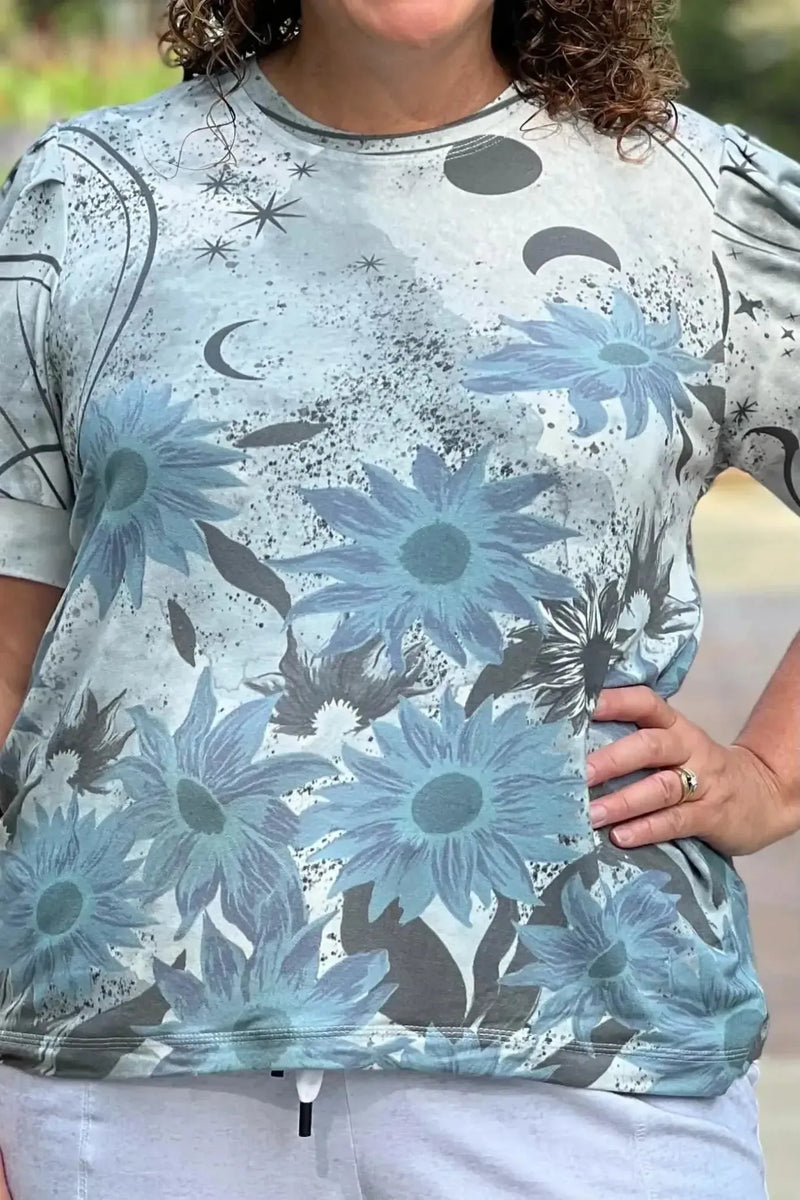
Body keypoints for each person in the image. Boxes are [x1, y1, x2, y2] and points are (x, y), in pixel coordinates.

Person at [0, 1, 797, 1196]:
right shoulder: (92, 195)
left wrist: (768, 777)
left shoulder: (698, 203)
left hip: (589, 1065)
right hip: (124, 1072)